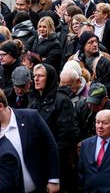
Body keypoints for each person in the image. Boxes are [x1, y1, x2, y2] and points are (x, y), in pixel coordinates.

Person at [0, 87, 61, 193]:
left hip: (37, 187)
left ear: (0, 106)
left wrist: (54, 179)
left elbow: (50, 146)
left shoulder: (31, 117)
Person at [28, 63, 75, 192]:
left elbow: (66, 134)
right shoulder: (33, 100)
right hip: (36, 160)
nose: (36, 79)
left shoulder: (62, 100)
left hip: (55, 162)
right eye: (34, 76)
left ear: (49, 78)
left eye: (40, 76)